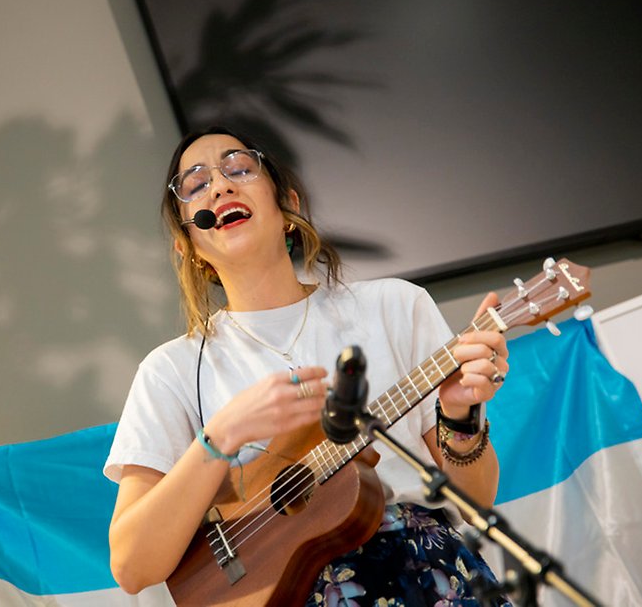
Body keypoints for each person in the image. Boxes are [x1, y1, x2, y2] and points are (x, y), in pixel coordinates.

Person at [104, 126, 511, 606]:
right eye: (194, 184)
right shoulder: (169, 371)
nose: (219, 185)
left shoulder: (395, 307)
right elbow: (132, 566)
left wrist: (461, 417)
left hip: (428, 575)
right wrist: (218, 439)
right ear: (188, 247)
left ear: (288, 206)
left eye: (239, 167)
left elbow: (477, 500)